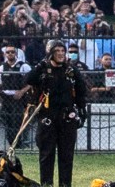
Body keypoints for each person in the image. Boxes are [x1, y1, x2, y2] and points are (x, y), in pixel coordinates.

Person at [23, 40, 90, 186]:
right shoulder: (42, 70)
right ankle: (47, 183)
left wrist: (82, 109)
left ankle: (65, 184)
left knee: (66, 155)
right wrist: (41, 65)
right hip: (47, 117)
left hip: (67, 117)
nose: (61, 54)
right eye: (57, 51)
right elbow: (28, 79)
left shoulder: (70, 71)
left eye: (62, 51)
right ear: (50, 53)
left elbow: (81, 90)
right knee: (46, 154)